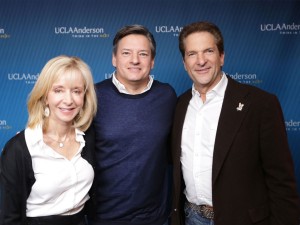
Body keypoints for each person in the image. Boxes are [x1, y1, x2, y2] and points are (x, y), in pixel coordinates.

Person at [170, 21, 300, 225]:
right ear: (184, 62)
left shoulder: (260, 104)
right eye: (192, 54)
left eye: (208, 51)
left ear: (221, 56)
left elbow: (281, 181)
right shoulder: (180, 105)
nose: (200, 60)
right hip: (190, 218)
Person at [89, 25, 177, 225]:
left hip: (156, 218)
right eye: (126, 53)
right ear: (114, 58)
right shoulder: (92, 97)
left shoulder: (167, 95)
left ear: (152, 61)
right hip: (105, 218)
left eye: (143, 54)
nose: (135, 60)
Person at [0, 55, 97, 225]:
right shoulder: (20, 148)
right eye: (58, 90)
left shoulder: (88, 138)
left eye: (76, 91)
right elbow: (9, 217)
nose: (68, 100)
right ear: (45, 96)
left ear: (84, 97)